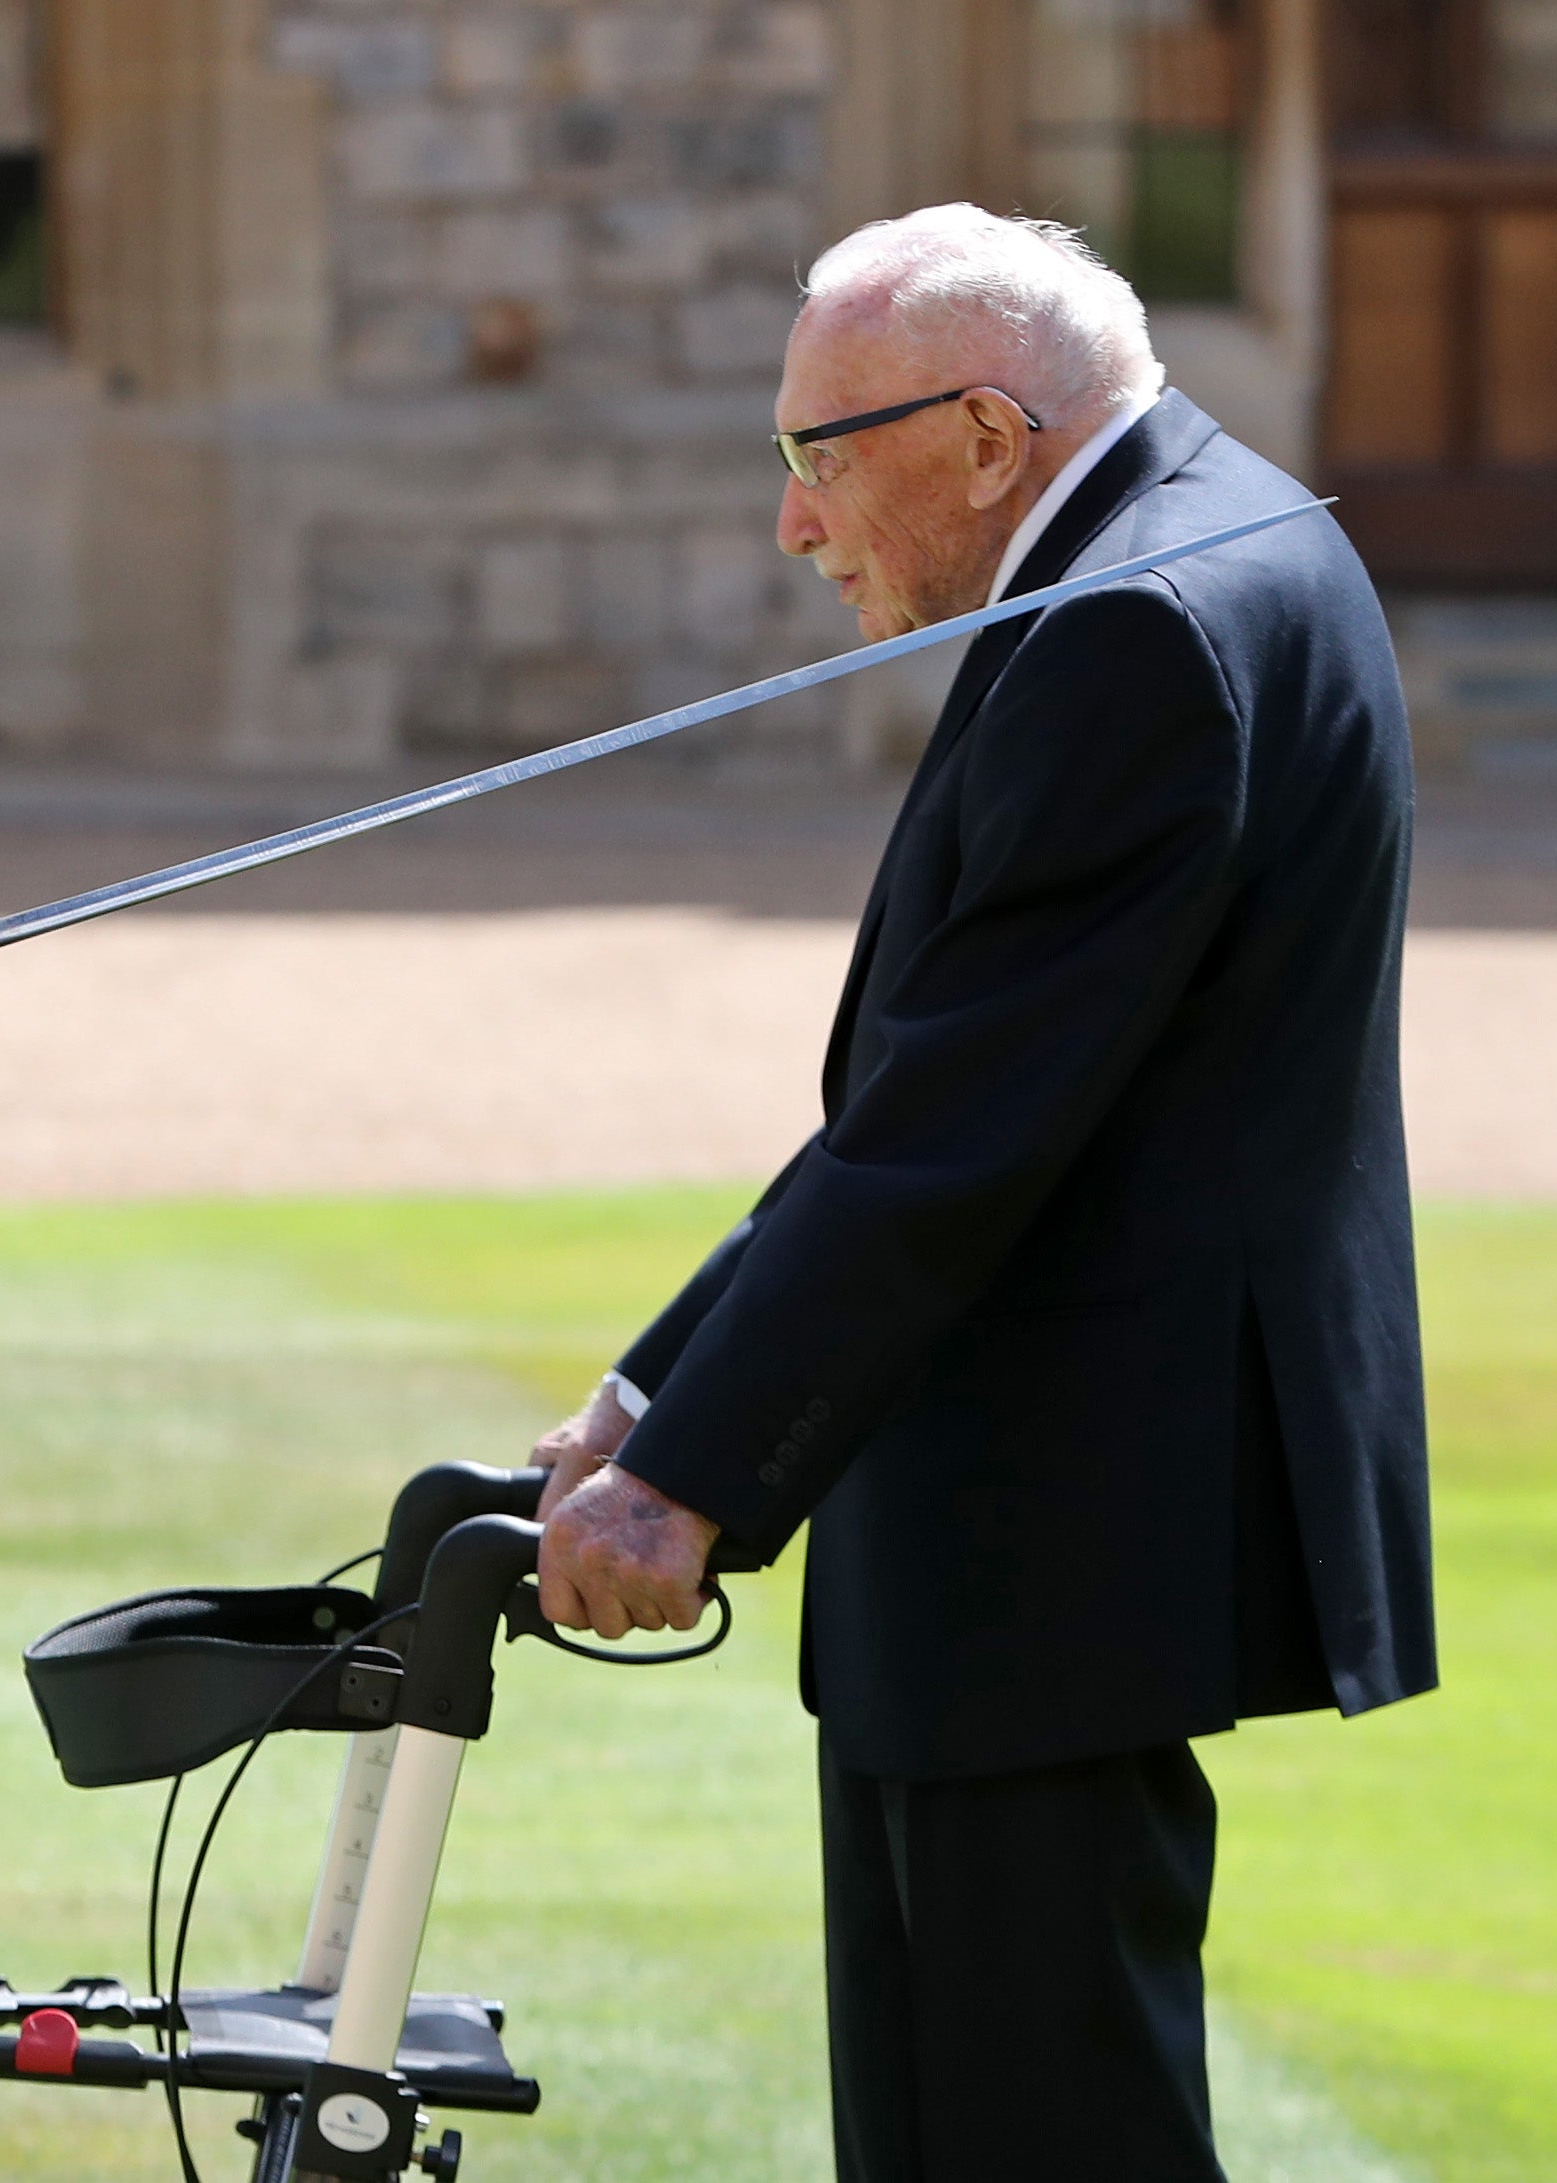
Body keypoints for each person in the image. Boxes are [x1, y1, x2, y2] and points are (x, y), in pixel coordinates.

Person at [526, 207, 1435, 2180]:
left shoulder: (1133, 620)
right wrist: (650, 1388)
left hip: (1056, 1506)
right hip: (1048, 1500)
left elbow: (957, 1135)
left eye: (813, 458)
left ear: (983, 437)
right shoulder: (1207, 532)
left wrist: (682, 1481)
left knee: (1032, 2127)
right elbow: (942, 1088)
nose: (793, 526)